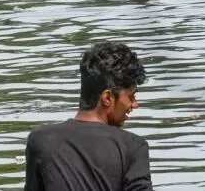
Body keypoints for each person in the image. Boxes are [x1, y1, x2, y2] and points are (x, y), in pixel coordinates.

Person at [23, 42, 153, 191]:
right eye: (131, 96)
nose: (135, 104)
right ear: (107, 98)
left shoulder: (40, 141)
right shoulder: (132, 147)